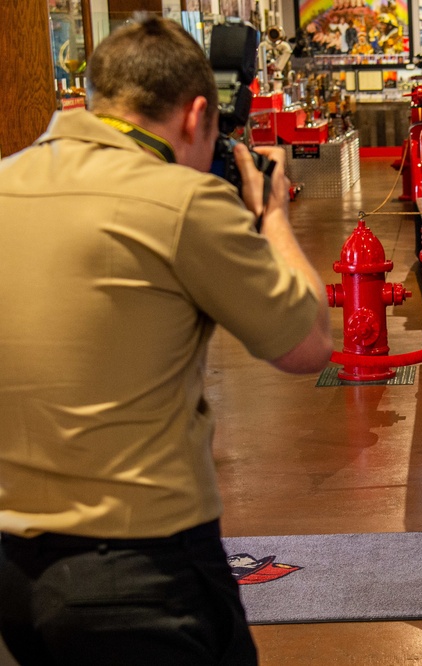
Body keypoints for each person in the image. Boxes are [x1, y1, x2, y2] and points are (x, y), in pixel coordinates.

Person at [0, 17, 334, 665]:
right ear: (196, 116)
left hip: (11, 571)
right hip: (137, 570)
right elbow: (306, 345)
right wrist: (271, 215)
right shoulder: (179, 199)